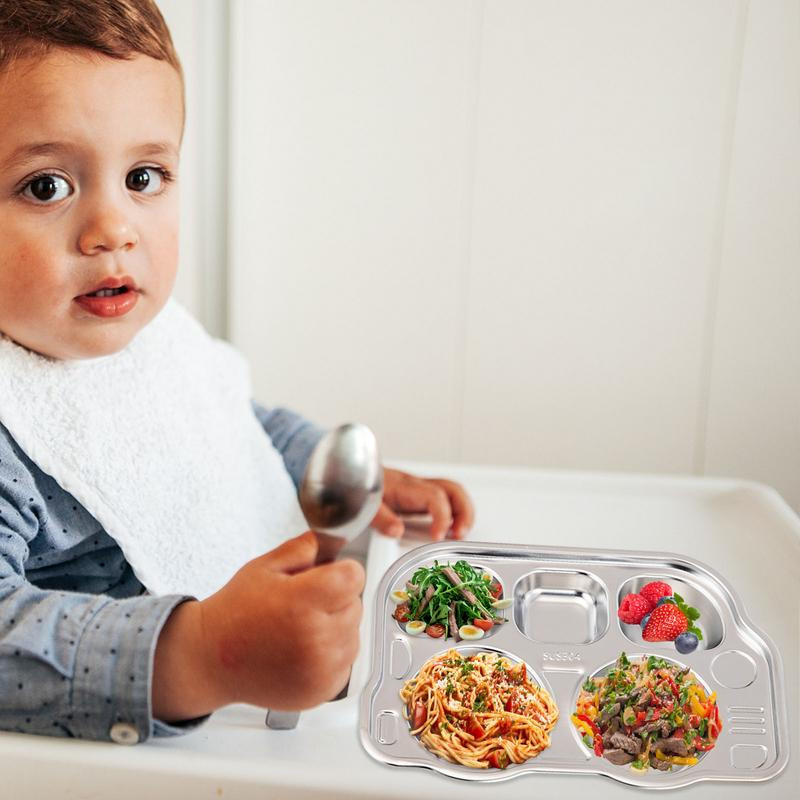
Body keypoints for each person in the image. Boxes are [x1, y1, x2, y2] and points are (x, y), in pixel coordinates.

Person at [0, 0, 474, 744]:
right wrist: (199, 656)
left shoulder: (134, 331)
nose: (114, 229)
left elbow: (228, 424)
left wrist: (339, 482)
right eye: (46, 186)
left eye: (144, 176)